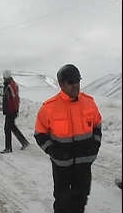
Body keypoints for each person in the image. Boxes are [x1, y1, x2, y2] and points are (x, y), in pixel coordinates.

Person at [34, 64, 102, 213]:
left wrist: (95, 144)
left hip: (84, 165)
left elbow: (97, 123)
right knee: (62, 202)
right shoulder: (49, 107)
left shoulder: (89, 102)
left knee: (80, 201)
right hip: (61, 166)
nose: (75, 85)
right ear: (61, 84)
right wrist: (53, 151)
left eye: (77, 81)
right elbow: (40, 133)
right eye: (71, 82)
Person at [0, 70, 29, 154]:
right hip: (11, 110)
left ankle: (8, 147)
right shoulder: (11, 85)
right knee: (12, 126)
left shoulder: (10, 86)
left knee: (7, 129)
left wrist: (13, 110)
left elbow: (14, 99)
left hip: (11, 111)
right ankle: (24, 142)